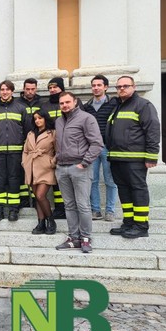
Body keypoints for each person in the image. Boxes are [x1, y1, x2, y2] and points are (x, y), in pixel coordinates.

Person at [106, 76, 160, 239]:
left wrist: (151, 156)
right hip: (117, 158)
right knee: (124, 191)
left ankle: (141, 225)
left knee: (138, 190)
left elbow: (153, 130)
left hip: (135, 159)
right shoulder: (118, 106)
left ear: (134, 87)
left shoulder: (143, 105)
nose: (122, 89)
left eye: (126, 86)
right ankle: (129, 222)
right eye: (119, 87)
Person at [54, 92, 103, 253]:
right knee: (69, 205)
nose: (65, 105)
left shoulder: (86, 118)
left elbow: (96, 143)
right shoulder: (59, 121)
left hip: (79, 168)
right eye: (62, 103)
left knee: (83, 205)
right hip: (62, 168)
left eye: (67, 102)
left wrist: (84, 163)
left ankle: (86, 238)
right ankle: (73, 238)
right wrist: (56, 160)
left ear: (75, 102)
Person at [0, 80, 27, 222]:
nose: (4, 92)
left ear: (12, 91)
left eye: (7, 89)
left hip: (16, 152)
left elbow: (27, 132)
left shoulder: (21, 108)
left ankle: (14, 210)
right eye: (2, 89)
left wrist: (25, 152)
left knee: (14, 179)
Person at [82, 74, 118, 222]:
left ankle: (110, 211)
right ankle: (95, 210)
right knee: (93, 180)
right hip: (92, 148)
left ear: (105, 87)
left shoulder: (114, 103)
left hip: (108, 147)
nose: (96, 88)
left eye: (99, 85)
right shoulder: (87, 107)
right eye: (94, 85)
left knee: (110, 180)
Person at [39, 77, 73, 219]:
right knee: (56, 180)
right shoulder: (44, 106)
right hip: (51, 148)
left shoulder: (72, 104)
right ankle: (59, 208)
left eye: (55, 87)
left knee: (68, 180)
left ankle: (69, 207)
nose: (52, 90)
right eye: (50, 87)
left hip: (70, 148)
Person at [22, 110, 58, 235]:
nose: (37, 120)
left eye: (40, 118)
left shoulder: (52, 133)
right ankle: (41, 223)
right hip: (31, 167)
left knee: (40, 195)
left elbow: (58, 150)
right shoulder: (31, 133)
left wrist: (52, 162)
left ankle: (51, 220)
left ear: (45, 119)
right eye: (35, 118)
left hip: (45, 167)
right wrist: (24, 162)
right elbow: (25, 150)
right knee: (37, 197)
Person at [15, 78, 43, 209]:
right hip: (21, 142)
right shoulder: (17, 103)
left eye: (33, 89)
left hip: (37, 143)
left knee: (36, 173)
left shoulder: (42, 103)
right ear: (23, 89)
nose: (30, 91)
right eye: (27, 89)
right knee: (21, 172)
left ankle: (36, 200)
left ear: (36, 89)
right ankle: (24, 200)